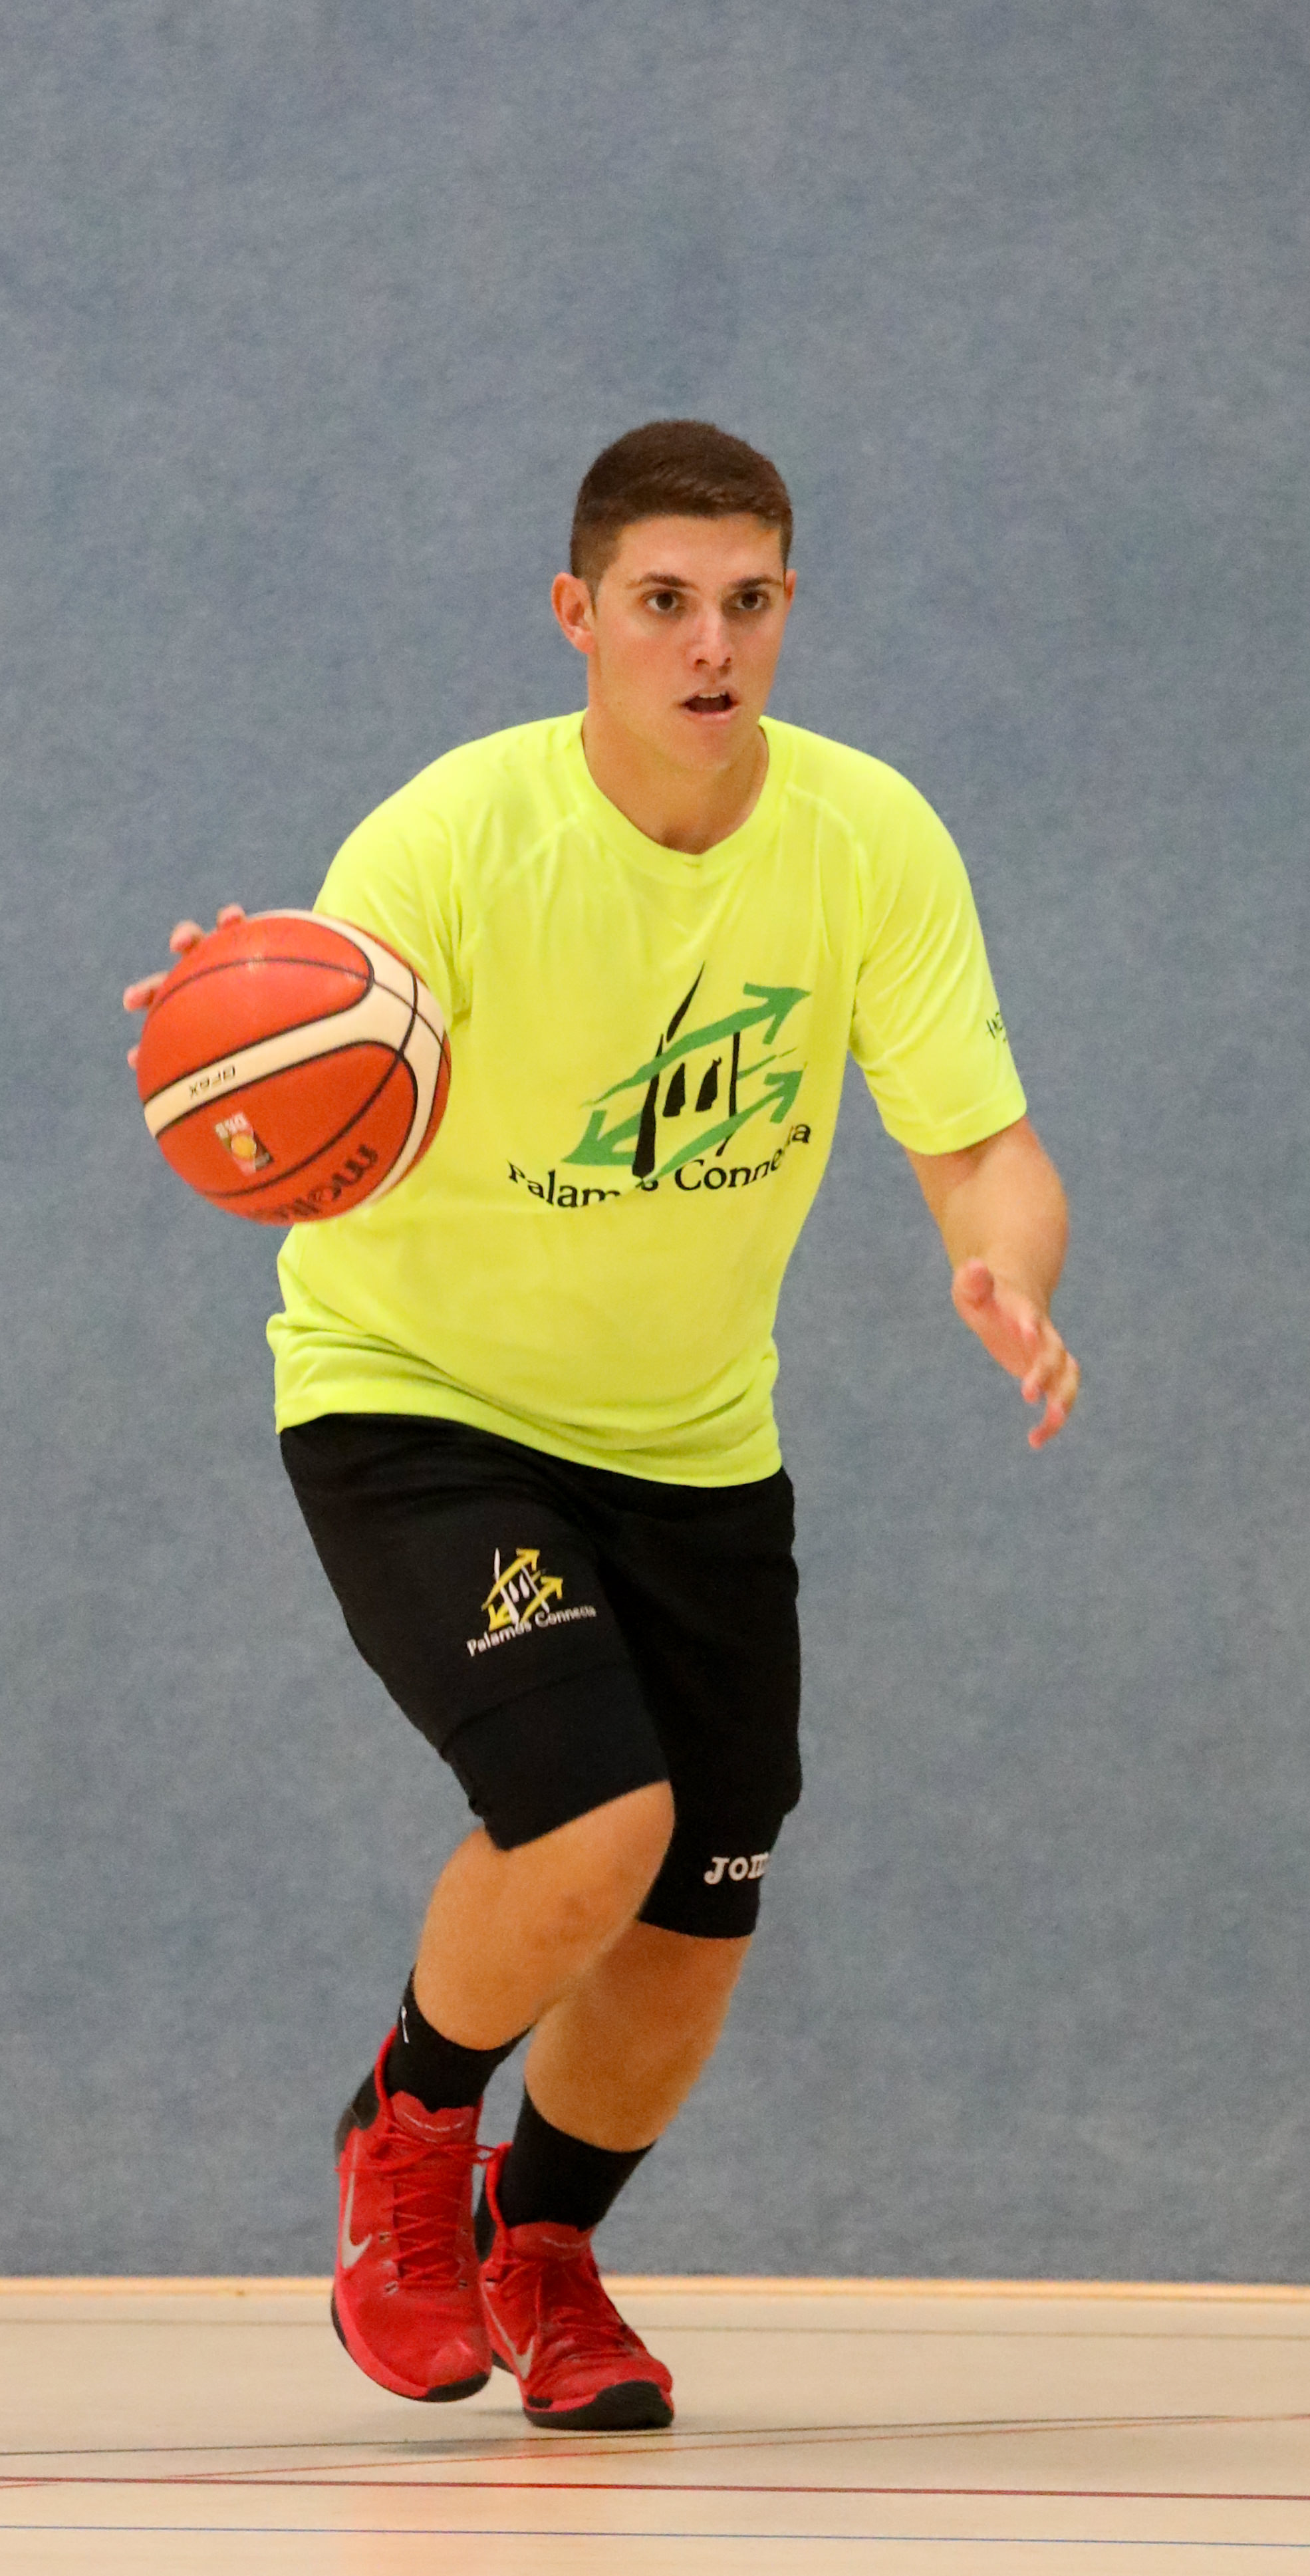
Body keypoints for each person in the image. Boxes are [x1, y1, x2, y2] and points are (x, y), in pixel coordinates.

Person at [124, 420, 1079, 2431]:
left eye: (746, 600)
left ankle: (542, 2247)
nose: (708, 642)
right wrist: (238, 1034)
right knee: (592, 1814)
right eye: (662, 601)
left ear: (789, 609)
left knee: (701, 1899)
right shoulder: (454, 838)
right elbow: (308, 1033)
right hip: (420, 1403)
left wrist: (1007, 1270)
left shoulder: (869, 840)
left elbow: (982, 1146)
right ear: (579, 613)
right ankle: (410, 2128)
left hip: (693, 1440)